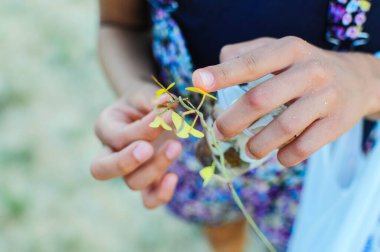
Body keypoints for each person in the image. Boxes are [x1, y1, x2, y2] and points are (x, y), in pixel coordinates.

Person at [91, 0, 380, 251]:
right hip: (191, 146)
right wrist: (139, 94)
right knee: (218, 222)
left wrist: (368, 80)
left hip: (325, 168)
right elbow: (119, 25)